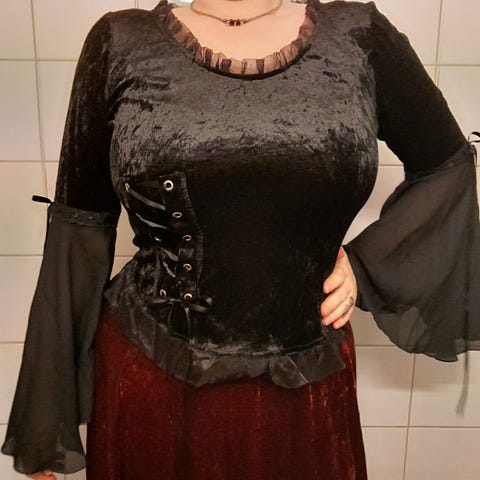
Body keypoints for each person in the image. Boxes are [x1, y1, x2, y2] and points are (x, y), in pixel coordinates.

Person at [2, 0, 480, 478]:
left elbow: (446, 165)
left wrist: (364, 263)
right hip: (152, 374)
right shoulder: (121, 42)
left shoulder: (358, 36)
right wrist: (46, 420)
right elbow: (80, 226)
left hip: (306, 378)